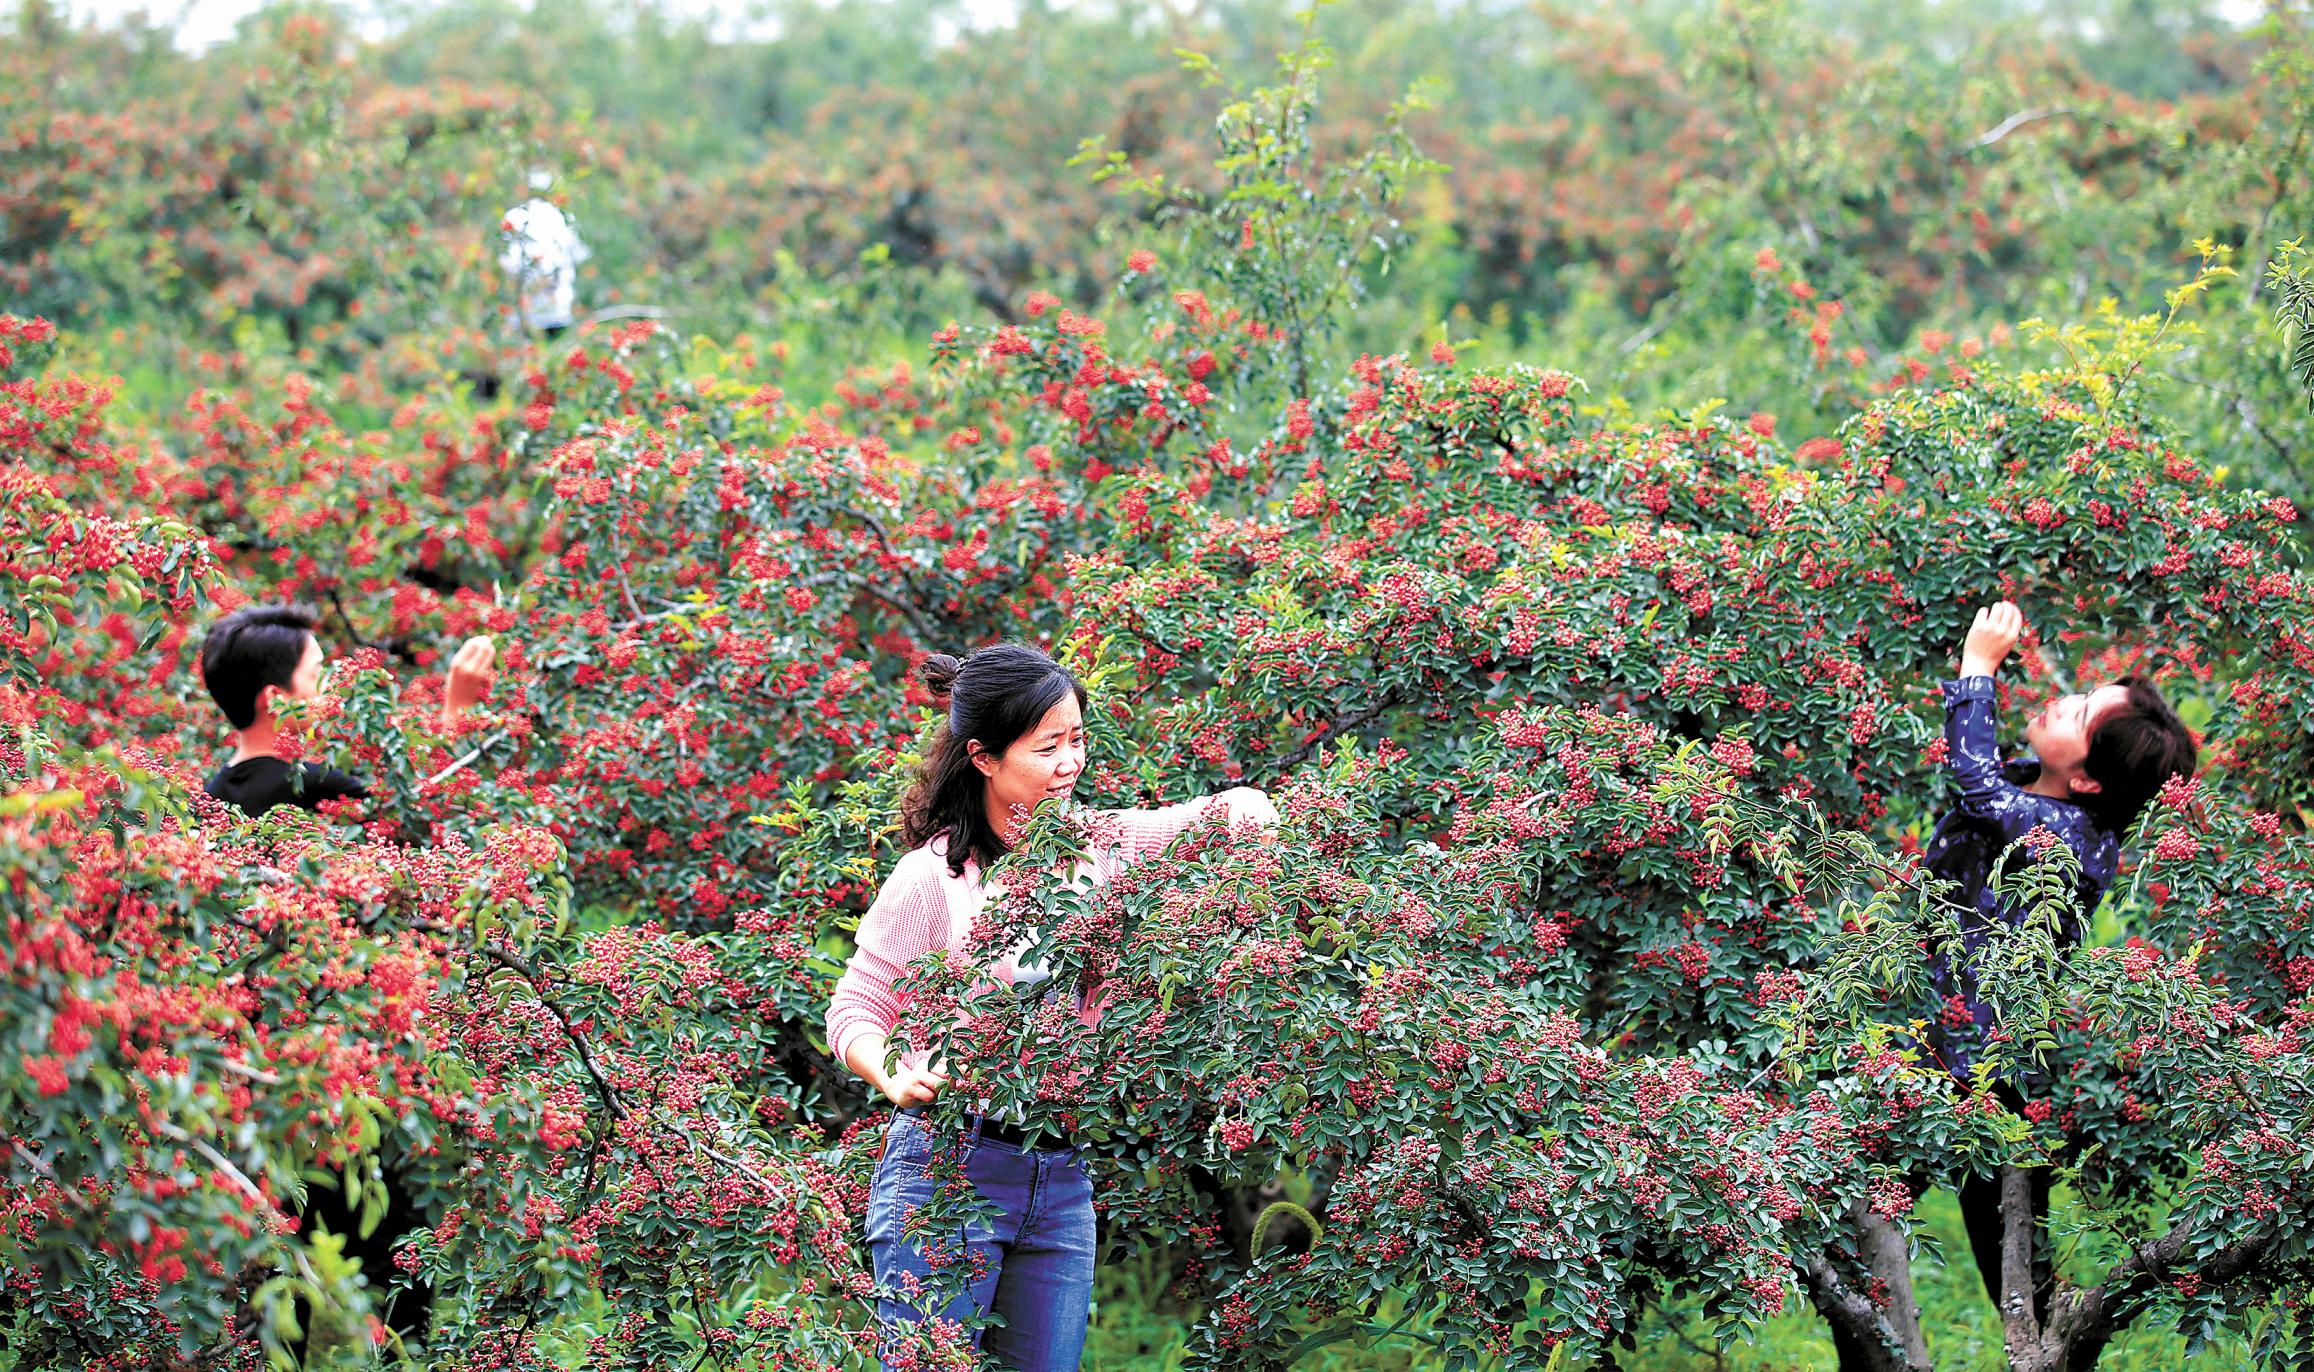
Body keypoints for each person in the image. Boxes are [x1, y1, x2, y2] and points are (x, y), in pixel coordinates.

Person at [826, 644, 1278, 1371]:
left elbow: (1221, 817)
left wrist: (1256, 817)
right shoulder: (933, 878)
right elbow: (854, 1007)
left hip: (1060, 1175)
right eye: (1048, 747)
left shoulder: (1102, 846)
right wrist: (892, 1074)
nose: (1071, 762)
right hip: (947, 1166)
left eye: (1078, 741)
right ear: (984, 758)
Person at [1922, 601, 2197, 1319]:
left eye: (2079, 715)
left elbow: (1974, 786)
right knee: (1849, 1199)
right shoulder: (2031, 788)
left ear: (2090, 783)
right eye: (2080, 697)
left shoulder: (2073, 837)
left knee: (2018, 1270)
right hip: (1925, 1035)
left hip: (1987, 1070)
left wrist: (1978, 669)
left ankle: (2051, 1348)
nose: (2062, 702)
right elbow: (1982, 777)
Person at [200, 602, 497, 819]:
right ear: (275, 697)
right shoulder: (318, 786)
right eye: (317, 672)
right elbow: (424, 818)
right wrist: (459, 708)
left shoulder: (209, 800)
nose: (330, 685)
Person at [498, 171, 590, 337]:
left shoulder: (513, 216)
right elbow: (578, 255)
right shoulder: (562, 217)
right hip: (555, 306)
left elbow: (505, 263)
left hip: (525, 307)